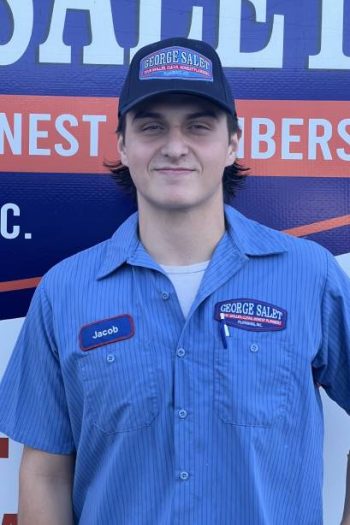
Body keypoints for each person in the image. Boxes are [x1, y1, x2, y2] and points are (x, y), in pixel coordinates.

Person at [0, 37, 349, 525]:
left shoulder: (310, 276)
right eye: (151, 126)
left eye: (199, 126)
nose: (175, 146)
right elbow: (45, 472)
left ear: (232, 144)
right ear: (122, 144)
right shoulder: (65, 292)